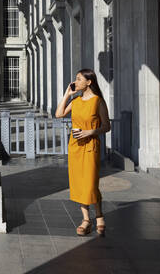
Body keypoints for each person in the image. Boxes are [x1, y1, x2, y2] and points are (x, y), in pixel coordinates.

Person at [55, 68, 111, 236]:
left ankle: (99, 215)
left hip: (91, 145)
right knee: (79, 183)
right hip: (75, 146)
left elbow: (107, 126)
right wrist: (67, 95)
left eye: (79, 79)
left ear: (89, 82)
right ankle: (86, 219)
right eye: (76, 79)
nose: (75, 82)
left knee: (90, 183)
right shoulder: (76, 101)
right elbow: (58, 114)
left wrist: (90, 132)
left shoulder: (97, 101)